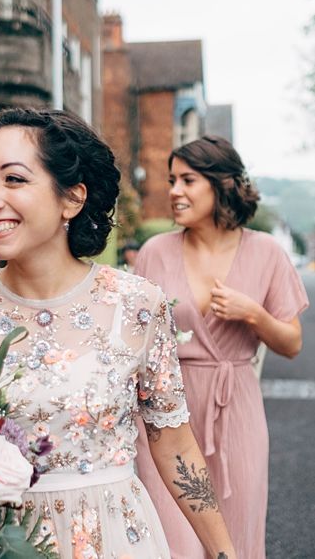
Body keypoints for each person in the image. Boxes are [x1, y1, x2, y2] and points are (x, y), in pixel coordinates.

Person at [0, 108, 236, 558]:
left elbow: (175, 443)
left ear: (72, 198)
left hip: (114, 538)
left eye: (13, 180)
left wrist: (224, 552)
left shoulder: (137, 306)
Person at [134, 135, 308, 559]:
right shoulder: (156, 252)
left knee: (238, 536)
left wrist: (255, 314)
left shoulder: (266, 252)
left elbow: (292, 344)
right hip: (166, 410)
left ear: (222, 184)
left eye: (188, 180)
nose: (174, 191)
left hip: (237, 410)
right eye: (171, 180)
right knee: (175, 542)